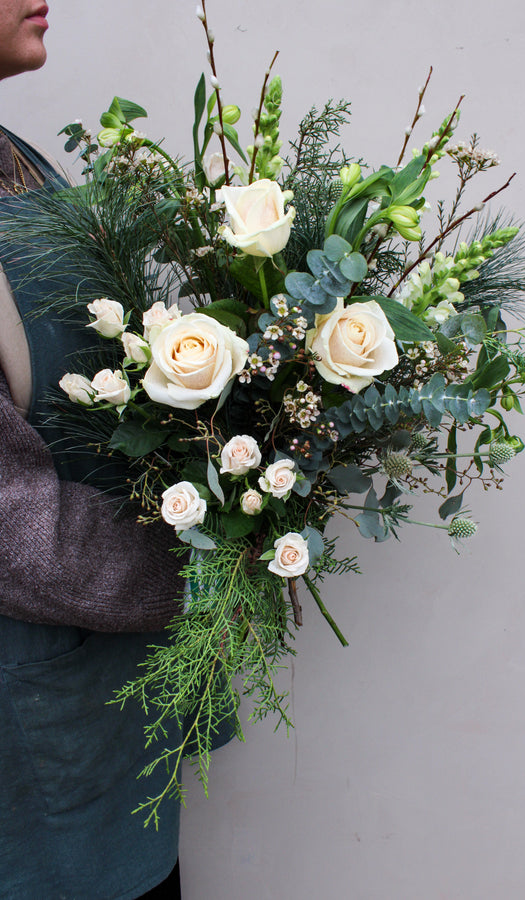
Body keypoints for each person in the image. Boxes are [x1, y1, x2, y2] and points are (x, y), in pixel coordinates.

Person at [0, 4, 230, 897]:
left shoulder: (16, 153)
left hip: (97, 684)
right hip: (33, 701)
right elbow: (11, 524)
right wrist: (206, 566)